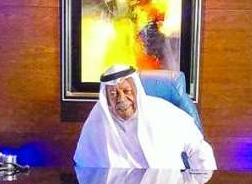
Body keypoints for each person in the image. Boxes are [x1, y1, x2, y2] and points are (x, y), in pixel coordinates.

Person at [73, 64, 217, 170]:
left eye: (126, 91)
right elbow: (83, 167)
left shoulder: (164, 113)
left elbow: (199, 149)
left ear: (136, 90)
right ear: (107, 101)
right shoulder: (96, 123)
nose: (121, 99)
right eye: (113, 94)